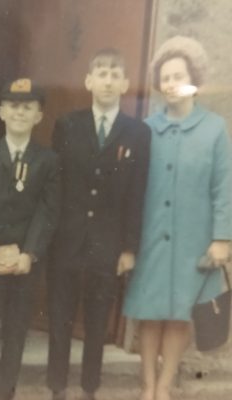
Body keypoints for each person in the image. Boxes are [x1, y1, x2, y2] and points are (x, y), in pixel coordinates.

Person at [123, 36, 232, 400]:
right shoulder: (146, 128)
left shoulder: (214, 129)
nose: (171, 84)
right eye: (165, 77)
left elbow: (224, 187)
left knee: (179, 314)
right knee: (149, 312)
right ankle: (147, 386)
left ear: (194, 80)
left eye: (178, 76)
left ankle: (165, 386)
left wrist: (221, 238)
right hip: (150, 236)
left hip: (194, 240)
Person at [47, 48, 151, 400]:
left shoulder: (137, 133)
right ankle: (57, 387)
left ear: (124, 84)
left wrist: (129, 248)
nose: (107, 80)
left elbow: (137, 195)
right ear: (88, 81)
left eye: (114, 74)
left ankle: (90, 388)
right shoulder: (68, 124)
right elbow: (55, 185)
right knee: (60, 320)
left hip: (107, 246)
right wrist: (51, 237)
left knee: (96, 324)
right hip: (67, 241)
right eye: (101, 73)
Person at [0, 78, 60, 400]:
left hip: (23, 265)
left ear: (38, 116)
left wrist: (28, 254)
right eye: (14, 106)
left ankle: (7, 394)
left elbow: (47, 211)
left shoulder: (47, 161)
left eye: (28, 107)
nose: (20, 113)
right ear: (2, 111)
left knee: (16, 333)